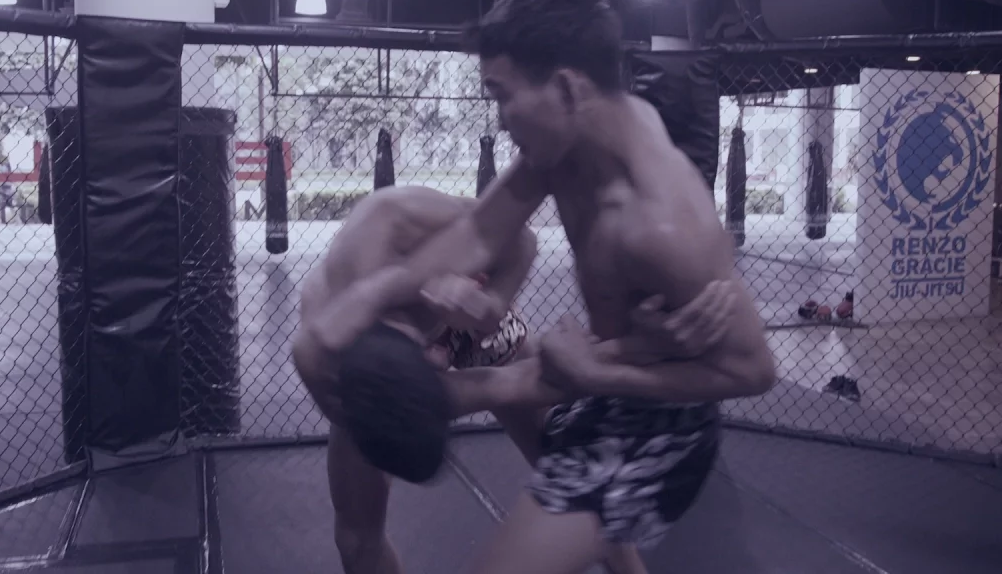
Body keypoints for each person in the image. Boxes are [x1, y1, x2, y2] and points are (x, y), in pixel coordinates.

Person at [303, 0, 777, 574]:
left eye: (502, 96)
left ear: (566, 87)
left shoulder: (662, 228)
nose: (501, 120)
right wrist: (376, 291)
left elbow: (753, 371)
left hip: (659, 431)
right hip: (602, 381)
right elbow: (480, 233)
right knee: (443, 399)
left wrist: (597, 373)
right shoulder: (568, 144)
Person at [292, 184, 738, 574]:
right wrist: (638, 349)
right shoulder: (331, 373)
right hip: (382, 373)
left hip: (474, 317)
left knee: (571, 474)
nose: (443, 361)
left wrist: (492, 305)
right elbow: (527, 382)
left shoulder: (396, 218)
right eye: (439, 374)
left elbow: (522, 240)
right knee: (357, 539)